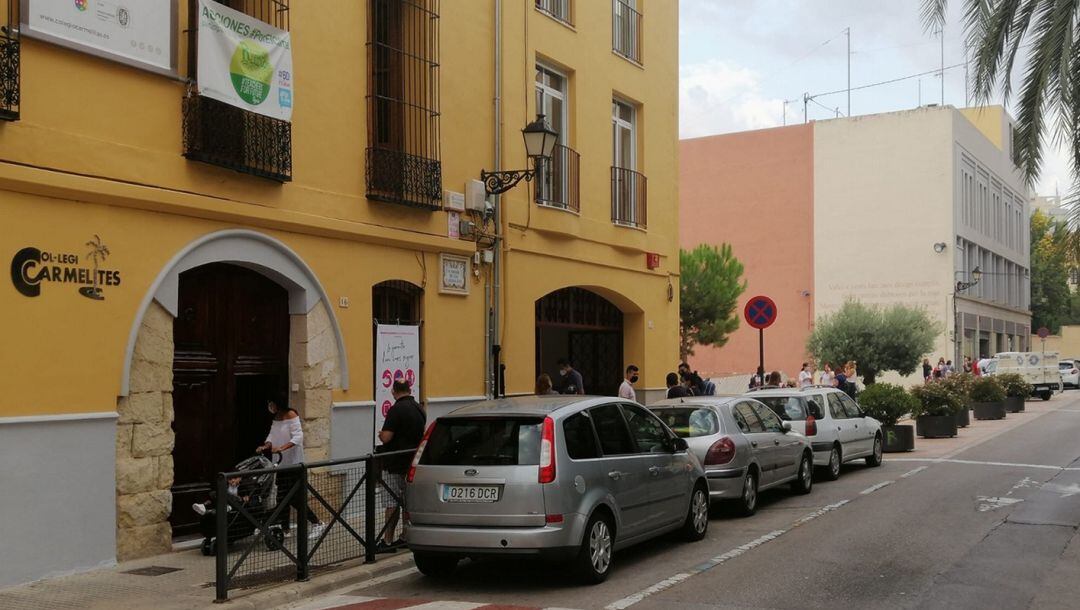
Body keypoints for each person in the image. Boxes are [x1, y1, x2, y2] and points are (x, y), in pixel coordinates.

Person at [258, 396, 325, 539]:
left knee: (293, 498)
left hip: (293, 463)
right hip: (281, 463)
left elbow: (298, 437)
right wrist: (266, 445)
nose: (270, 406)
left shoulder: (291, 414)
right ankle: (285, 528)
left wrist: (282, 448)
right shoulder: (276, 417)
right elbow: (272, 435)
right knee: (282, 497)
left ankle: (317, 523)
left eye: (271, 403)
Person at [377, 380, 427, 551]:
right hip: (411, 462)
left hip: (394, 462)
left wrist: (381, 435)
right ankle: (405, 537)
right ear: (409, 389)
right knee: (407, 503)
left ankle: (387, 541)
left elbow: (386, 437)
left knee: (391, 503)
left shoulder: (396, 409)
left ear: (393, 391)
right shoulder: (419, 408)